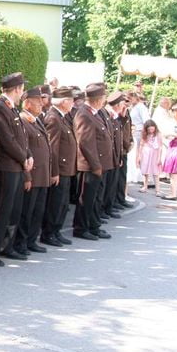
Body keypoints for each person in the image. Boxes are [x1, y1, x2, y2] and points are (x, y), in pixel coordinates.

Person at [0, 72, 32, 264]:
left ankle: (6, 245)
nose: (22, 92)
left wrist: (28, 155)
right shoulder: (0, 109)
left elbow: (21, 137)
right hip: (6, 166)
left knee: (14, 209)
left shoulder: (11, 108)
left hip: (17, 166)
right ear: (17, 89)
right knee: (2, 209)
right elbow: (7, 140)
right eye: (22, 88)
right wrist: (23, 157)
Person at [16, 87, 54, 256]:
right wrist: (27, 176)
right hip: (33, 174)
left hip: (42, 174)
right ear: (27, 104)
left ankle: (31, 240)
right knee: (26, 212)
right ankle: (21, 243)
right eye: (37, 102)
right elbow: (24, 150)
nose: (41, 105)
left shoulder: (36, 120)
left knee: (37, 211)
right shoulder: (23, 120)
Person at [72, 83, 110, 241]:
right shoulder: (84, 114)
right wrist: (95, 165)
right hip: (90, 166)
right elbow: (86, 143)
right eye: (103, 98)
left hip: (99, 165)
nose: (104, 101)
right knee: (86, 198)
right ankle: (81, 228)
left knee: (96, 198)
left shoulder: (94, 113)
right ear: (98, 100)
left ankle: (93, 225)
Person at [42, 86, 76, 247]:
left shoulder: (63, 117)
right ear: (64, 102)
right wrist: (54, 171)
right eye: (71, 100)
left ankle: (56, 231)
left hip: (66, 168)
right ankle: (49, 233)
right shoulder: (53, 118)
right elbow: (53, 148)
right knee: (55, 203)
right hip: (59, 169)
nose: (73, 103)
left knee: (62, 203)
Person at [136, 120, 164, 192]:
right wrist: (139, 156)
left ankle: (157, 189)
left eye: (152, 129)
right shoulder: (144, 134)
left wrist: (159, 157)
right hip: (145, 153)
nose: (151, 131)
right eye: (149, 129)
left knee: (156, 172)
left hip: (155, 153)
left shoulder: (158, 134)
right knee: (145, 171)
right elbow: (141, 145)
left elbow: (160, 146)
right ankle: (145, 186)